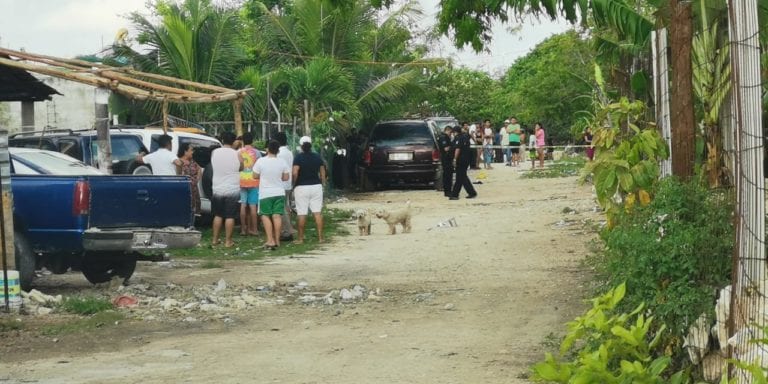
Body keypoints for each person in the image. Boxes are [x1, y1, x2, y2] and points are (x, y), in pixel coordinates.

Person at [253, 140, 290, 250]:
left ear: (267, 149)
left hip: (265, 193)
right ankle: (277, 240)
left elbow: (255, 175)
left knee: (265, 215)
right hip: (279, 192)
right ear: (278, 150)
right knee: (277, 216)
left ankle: (270, 240)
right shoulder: (282, 162)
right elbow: (286, 177)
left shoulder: (261, 161)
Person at [210, 132, 244, 248]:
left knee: (218, 215)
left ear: (223, 140)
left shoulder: (214, 152)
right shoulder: (237, 154)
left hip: (217, 188)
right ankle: (228, 241)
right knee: (230, 216)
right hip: (232, 188)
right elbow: (241, 167)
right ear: (234, 141)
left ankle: (215, 240)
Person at [292, 136, 326, 244]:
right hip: (316, 186)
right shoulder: (317, 157)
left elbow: (295, 172)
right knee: (317, 213)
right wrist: (323, 184)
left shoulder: (298, 158)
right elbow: (322, 172)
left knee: (302, 213)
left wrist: (294, 183)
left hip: (301, 187)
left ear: (301, 146)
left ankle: (300, 238)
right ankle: (320, 238)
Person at [238, 132, 261, 236]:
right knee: (252, 206)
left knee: (243, 204)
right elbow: (259, 167)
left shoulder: (239, 152)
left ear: (243, 140)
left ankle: (243, 229)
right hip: (254, 181)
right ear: (252, 141)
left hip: (242, 180)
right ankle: (254, 229)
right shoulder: (256, 152)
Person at [274, 132, 296, 241]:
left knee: (281, 207)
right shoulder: (289, 152)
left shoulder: (279, 153)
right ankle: (288, 226)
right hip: (288, 182)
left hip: (281, 182)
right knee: (286, 205)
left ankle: (288, 229)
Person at [449, 125, 477, 200]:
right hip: (466, 160)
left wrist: (455, 159)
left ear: (455, 132)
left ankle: (455, 194)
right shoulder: (465, 137)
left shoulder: (458, 138)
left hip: (460, 160)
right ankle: (471, 192)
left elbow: (457, 149)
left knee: (460, 177)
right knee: (462, 177)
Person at [173, 143, 201, 215]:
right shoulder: (178, 162)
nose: (193, 152)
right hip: (184, 191)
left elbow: (199, 169)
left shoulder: (192, 161)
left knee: (194, 210)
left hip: (194, 190)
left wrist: (197, 178)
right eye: (191, 150)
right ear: (185, 152)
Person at [437, 125, 454, 196]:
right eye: (451, 132)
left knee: (448, 175)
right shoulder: (443, 137)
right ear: (448, 130)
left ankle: (448, 190)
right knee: (447, 175)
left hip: (447, 158)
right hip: (446, 158)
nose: (451, 134)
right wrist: (453, 146)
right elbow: (445, 148)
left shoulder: (444, 137)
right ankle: (447, 191)